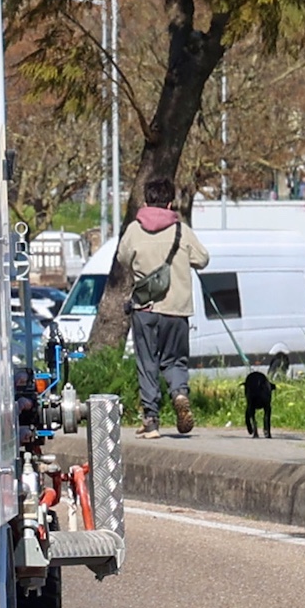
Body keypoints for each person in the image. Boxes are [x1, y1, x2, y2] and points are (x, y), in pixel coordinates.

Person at [118, 179, 210, 439]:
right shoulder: (181, 231)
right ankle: (179, 393)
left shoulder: (134, 230)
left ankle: (151, 421)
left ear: (146, 201)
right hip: (177, 309)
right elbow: (202, 259)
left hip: (145, 309)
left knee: (147, 363)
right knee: (175, 360)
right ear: (170, 203)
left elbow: (123, 258)